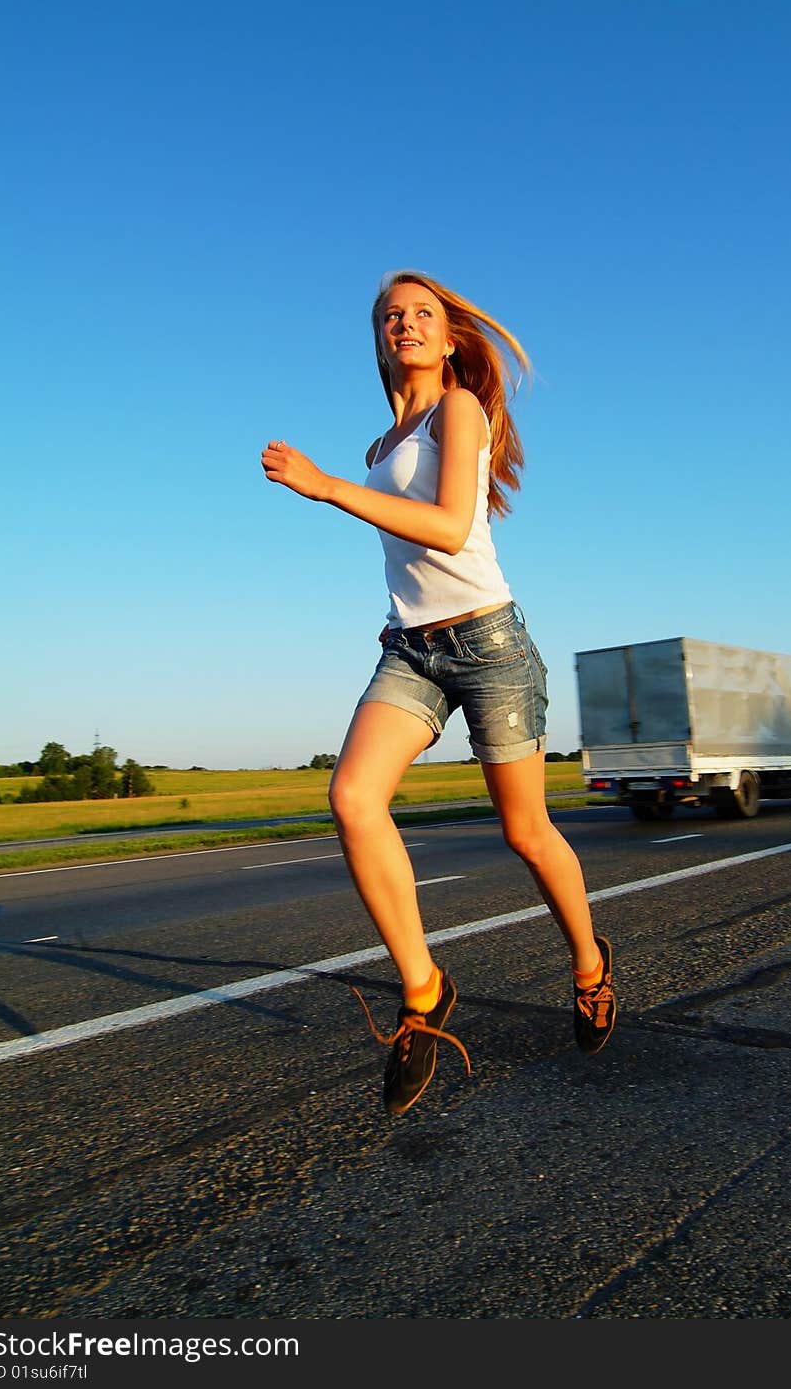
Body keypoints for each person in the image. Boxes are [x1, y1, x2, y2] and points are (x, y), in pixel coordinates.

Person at [260, 269, 616, 1116]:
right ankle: (424, 991)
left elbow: (454, 526)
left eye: (421, 314)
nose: (404, 324)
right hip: (411, 649)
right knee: (352, 798)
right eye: (390, 316)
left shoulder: (460, 410)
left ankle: (591, 965)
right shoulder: (380, 449)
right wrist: (344, 482)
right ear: (378, 339)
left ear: (449, 337)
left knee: (526, 833)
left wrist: (325, 489)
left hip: (489, 643)